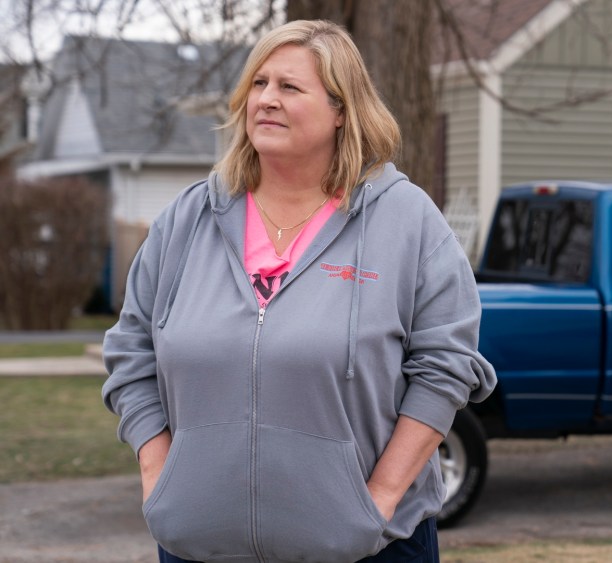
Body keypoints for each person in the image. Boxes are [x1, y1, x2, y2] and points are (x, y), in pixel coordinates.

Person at [102, 19, 496, 563]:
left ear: (341, 110)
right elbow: (132, 350)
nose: (266, 99)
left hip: (369, 547)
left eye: (289, 87)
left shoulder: (407, 221)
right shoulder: (188, 219)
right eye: (258, 84)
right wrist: (160, 477)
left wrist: (376, 503)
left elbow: (447, 365)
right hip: (201, 546)